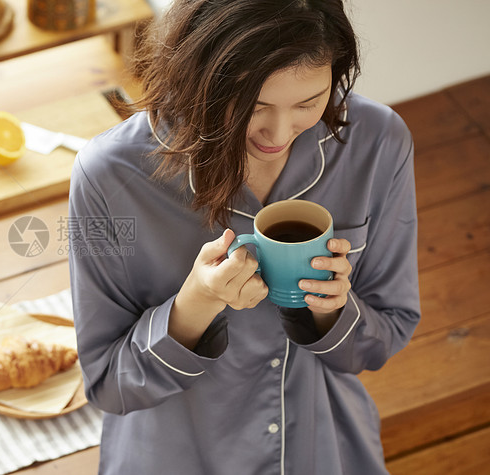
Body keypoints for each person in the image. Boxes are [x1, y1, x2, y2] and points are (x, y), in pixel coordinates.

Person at [67, 0, 421, 474]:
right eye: (252, 106)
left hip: (321, 444)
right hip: (171, 453)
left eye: (308, 103)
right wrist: (195, 303)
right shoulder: (108, 175)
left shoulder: (376, 142)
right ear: (197, 75)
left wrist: (332, 310)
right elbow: (109, 382)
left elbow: (387, 332)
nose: (279, 132)